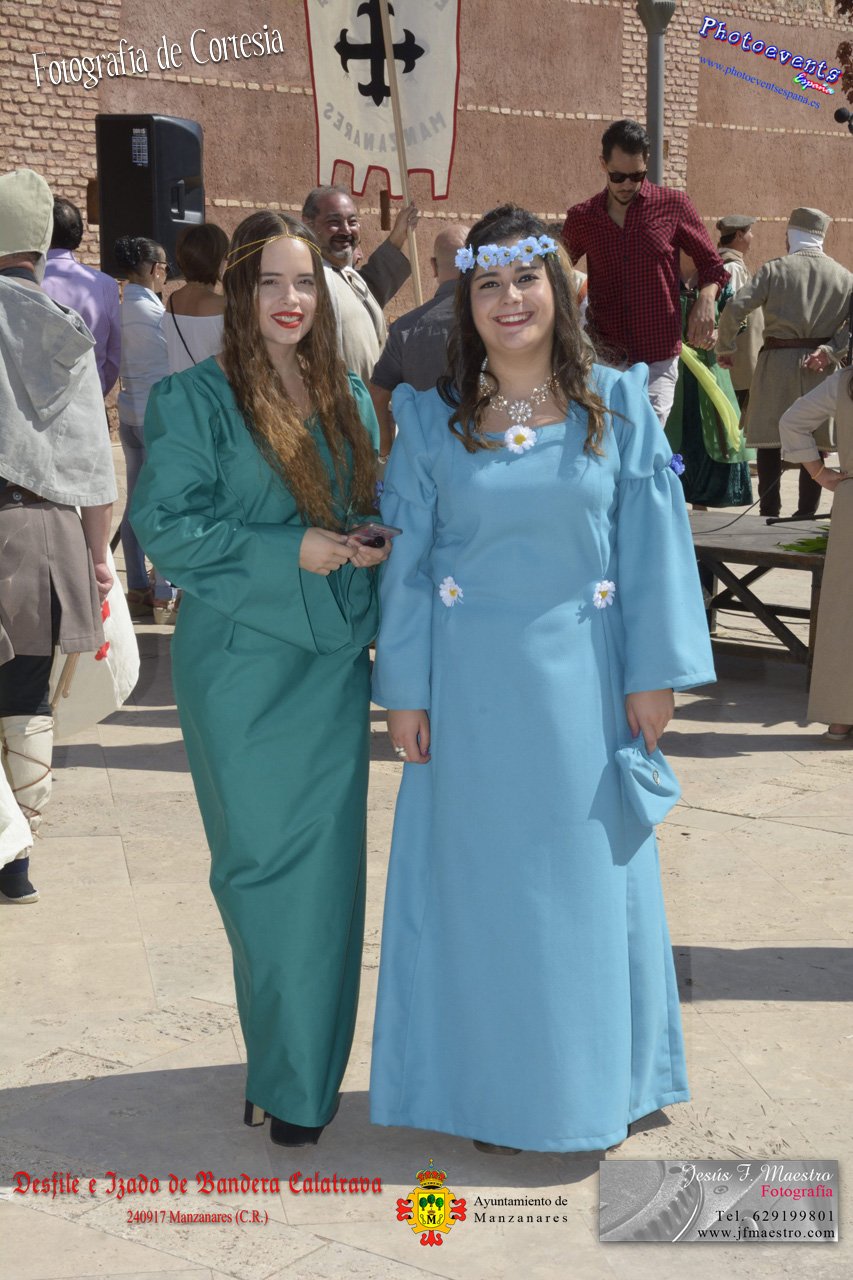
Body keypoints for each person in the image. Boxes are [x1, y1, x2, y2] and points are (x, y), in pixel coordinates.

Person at [369, 205, 715, 1153]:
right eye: (488, 284)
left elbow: (650, 546)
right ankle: (493, 1092)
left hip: (587, 694)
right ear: (466, 301)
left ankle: (598, 1082)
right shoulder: (430, 422)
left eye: (525, 279)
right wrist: (405, 692)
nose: (509, 300)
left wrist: (654, 674)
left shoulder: (616, 404)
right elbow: (407, 566)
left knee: (582, 888)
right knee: (485, 892)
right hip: (469, 698)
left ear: (558, 290)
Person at [130, 211, 391, 1146]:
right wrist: (293, 550)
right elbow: (168, 529)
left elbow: (359, 505)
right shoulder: (193, 399)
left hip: (329, 665)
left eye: (306, 282)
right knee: (260, 873)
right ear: (239, 290)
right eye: (271, 281)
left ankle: (299, 1078)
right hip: (241, 671)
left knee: (325, 879)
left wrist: (366, 540)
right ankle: (284, 1073)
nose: (291, 299)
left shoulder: (348, 396)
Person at [0, 168, 116, 903]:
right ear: (40, 247)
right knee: (26, 700)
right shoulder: (67, 331)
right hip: (49, 536)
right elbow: (92, 459)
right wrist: (99, 557)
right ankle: (16, 867)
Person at [562, 119, 730, 426]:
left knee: (647, 438)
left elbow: (712, 265)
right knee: (606, 438)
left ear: (647, 164)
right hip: (605, 354)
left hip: (658, 354)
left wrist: (706, 299)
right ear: (603, 165)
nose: (627, 184)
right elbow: (555, 270)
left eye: (636, 175)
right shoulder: (583, 217)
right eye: (618, 176)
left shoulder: (674, 205)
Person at [716, 207, 853, 520]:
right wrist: (830, 351)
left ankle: (769, 512)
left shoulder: (774, 270)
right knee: (814, 440)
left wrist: (726, 347)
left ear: (791, 236)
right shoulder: (845, 278)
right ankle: (806, 514)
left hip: (775, 365)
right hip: (820, 368)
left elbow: (735, 307)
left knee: (769, 441)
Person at [779, 368, 853, 740]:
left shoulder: (845, 381)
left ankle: (841, 715)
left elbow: (792, 421)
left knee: (846, 611)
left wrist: (819, 473)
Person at [114, 234, 177, 624]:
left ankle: (137, 585)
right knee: (164, 504)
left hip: (129, 414)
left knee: (135, 504)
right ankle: (165, 590)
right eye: (166, 266)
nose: (166, 273)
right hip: (158, 418)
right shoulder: (157, 315)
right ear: (155, 269)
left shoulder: (119, 308)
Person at [301, 184, 418, 383]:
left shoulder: (349, 277)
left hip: (368, 400)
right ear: (308, 224)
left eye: (352, 222)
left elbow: (370, 287)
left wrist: (399, 235)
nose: (346, 230)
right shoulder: (305, 279)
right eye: (334, 222)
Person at [369, 225, 469, 457]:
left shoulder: (406, 327)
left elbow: (377, 393)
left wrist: (386, 449)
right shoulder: (496, 319)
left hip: (424, 457)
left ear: (433, 266)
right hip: (485, 453)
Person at [666, 272, 752, 510]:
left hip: (710, 373)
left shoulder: (717, 279)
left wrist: (719, 333)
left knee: (710, 435)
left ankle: (702, 506)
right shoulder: (663, 272)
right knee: (673, 433)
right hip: (671, 371)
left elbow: (739, 315)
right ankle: (672, 505)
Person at [42, 197, 122, 397]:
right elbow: (114, 355)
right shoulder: (106, 284)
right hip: (90, 398)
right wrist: (98, 392)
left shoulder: (24, 283)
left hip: (34, 404)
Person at [162, 223, 228, 374]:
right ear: (217, 259)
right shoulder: (223, 306)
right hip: (212, 389)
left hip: (181, 387)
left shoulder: (172, 300)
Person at [715, 214, 764, 413]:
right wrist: (728, 348)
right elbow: (731, 311)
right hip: (738, 360)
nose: (752, 236)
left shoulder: (731, 264)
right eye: (749, 232)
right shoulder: (732, 268)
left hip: (739, 358)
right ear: (739, 235)